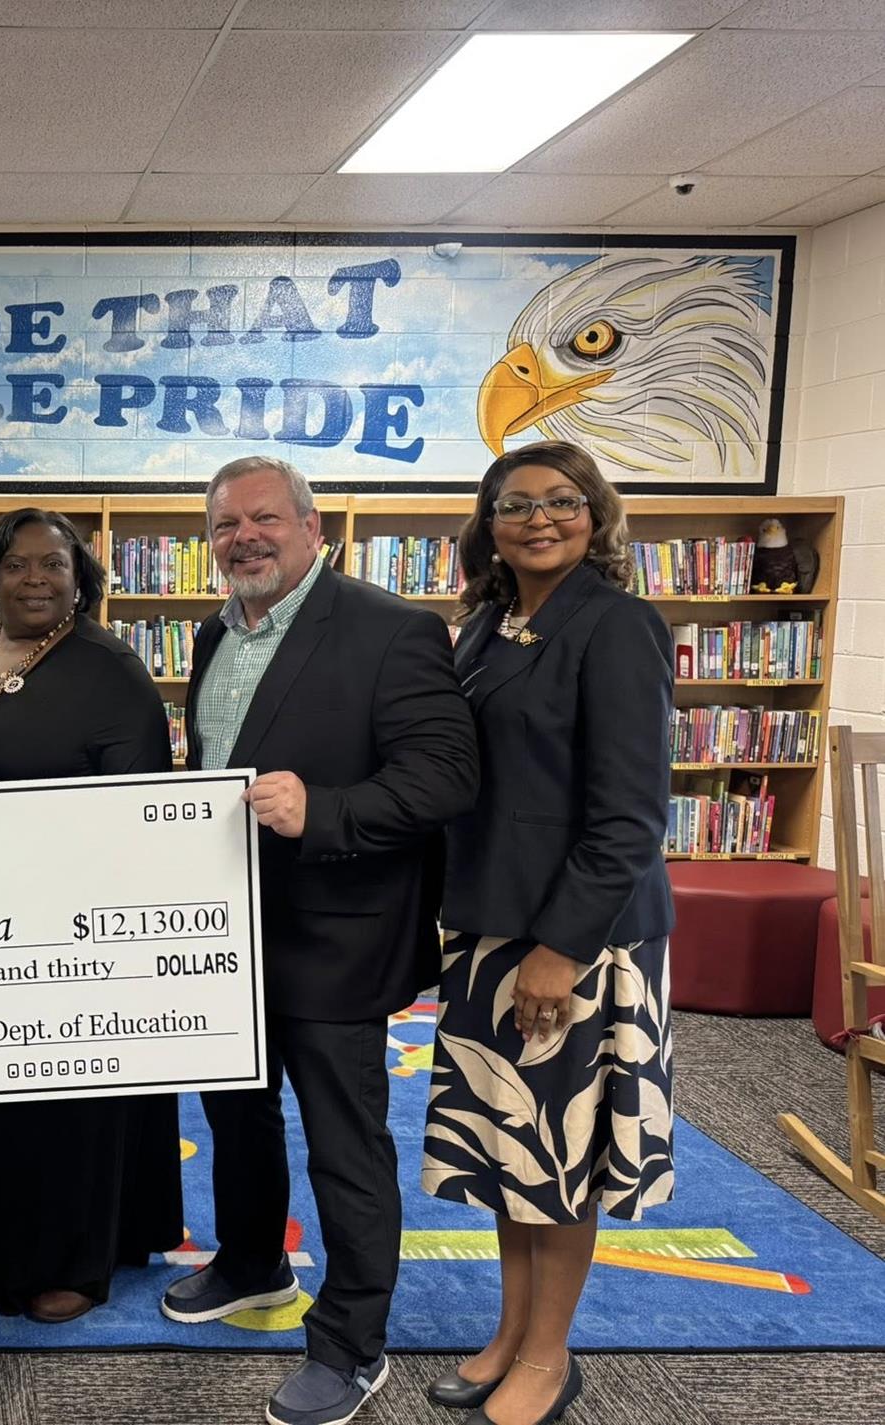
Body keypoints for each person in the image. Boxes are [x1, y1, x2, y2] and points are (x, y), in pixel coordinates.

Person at [160, 456, 479, 1425]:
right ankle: (254, 1261)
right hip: (224, 932)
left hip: (336, 937)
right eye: (225, 527)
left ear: (310, 528)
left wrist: (325, 810)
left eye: (264, 519)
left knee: (343, 1144)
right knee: (237, 1116)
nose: (244, 538)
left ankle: (349, 1344)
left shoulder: (392, 630)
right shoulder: (217, 634)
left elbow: (445, 779)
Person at [422, 441, 674, 1425]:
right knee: (507, 1151)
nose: (538, 518)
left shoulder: (616, 627)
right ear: (487, 523)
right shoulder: (489, 627)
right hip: (490, 929)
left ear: (594, 513)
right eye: (514, 504)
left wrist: (560, 949)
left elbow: (626, 816)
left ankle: (548, 1353)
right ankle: (509, 1332)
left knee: (560, 1156)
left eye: (561, 501)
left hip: (579, 941)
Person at [0, 508, 184, 1323]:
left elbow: (139, 815)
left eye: (54, 565)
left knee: (69, 1104)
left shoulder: (110, 669)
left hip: (71, 924)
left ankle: (77, 1260)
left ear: (82, 578)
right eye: (17, 564)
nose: (35, 578)